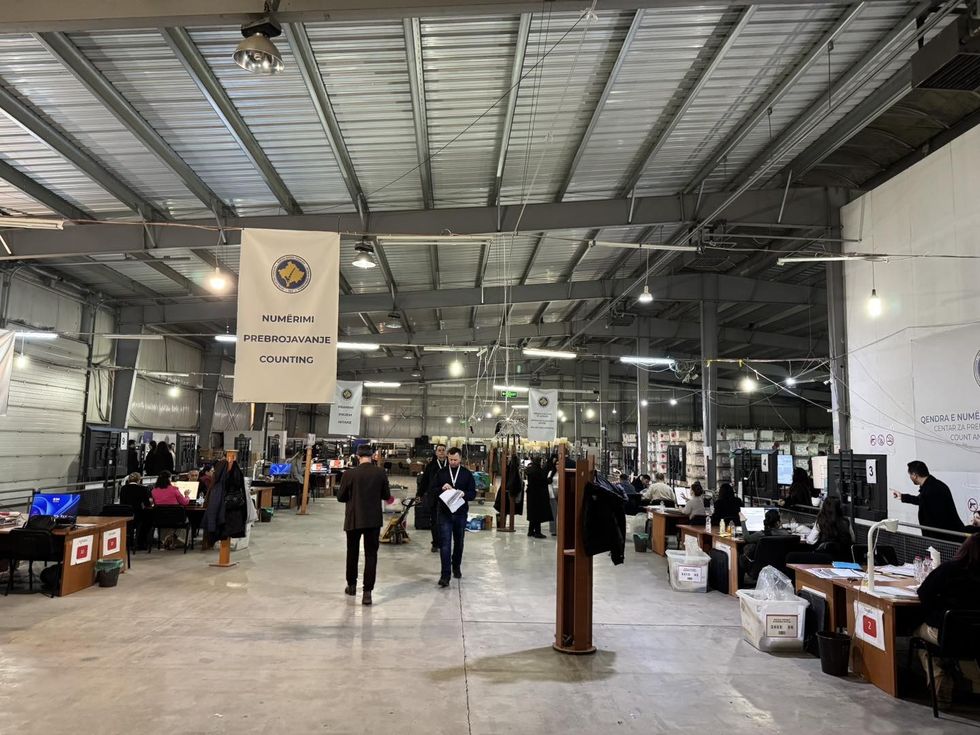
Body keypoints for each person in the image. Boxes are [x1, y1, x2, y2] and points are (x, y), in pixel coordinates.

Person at [915, 533, 980, 709]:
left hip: (947, 630)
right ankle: (975, 684)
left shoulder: (949, 569)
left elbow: (923, 593)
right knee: (965, 645)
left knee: (917, 634)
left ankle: (938, 676)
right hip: (975, 636)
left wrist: (936, 608)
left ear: (964, 548)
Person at [337, 444, 391, 606]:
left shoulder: (349, 474)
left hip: (354, 518)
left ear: (357, 456)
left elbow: (340, 497)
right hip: (373, 520)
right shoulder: (380, 473)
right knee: (371, 555)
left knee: (352, 553)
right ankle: (367, 593)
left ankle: (351, 586)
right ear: (372, 456)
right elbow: (386, 495)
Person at [432, 447, 476, 587]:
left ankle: (456, 565)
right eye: (450, 459)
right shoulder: (441, 473)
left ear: (460, 459)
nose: (452, 462)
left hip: (460, 513)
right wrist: (441, 488)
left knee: (459, 542)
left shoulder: (466, 474)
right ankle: (445, 575)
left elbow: (473, 493)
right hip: (444, 513)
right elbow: (432, 490)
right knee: (445, 544)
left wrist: (464, 494)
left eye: (455, 460)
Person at [892, 461, 965, 541]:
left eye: (910, 475)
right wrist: (902, 496)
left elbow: (924, 503)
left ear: (914, 475)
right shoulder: (933, 485)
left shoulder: (931, 490)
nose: (910, 477)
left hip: (946, 537)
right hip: (947, 534)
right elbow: (921, 500)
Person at [417, 444, 448, 553]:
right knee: (434, 521)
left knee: (446, 521)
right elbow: (424, 481)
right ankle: (435, 543)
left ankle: (445, 542)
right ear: (436, 452)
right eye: (439, 450)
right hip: (434, 497)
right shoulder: (431, 466)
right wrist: (419, 494)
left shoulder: (450, 464)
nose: (441, 452)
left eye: (443, 450)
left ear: (446, 452)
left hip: (448, 498)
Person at [119, 472, 153, 550]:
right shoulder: (142, 489)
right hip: (137, 514)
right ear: (139, 480)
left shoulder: (123, 488)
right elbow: (147, 504)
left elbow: (122, 502)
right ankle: (141, 542)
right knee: (148, 520)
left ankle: (129, 542)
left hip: (126, 514)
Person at [524, 456, 552, 539]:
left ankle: (530, 531)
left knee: (533, 513)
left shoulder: (530, 469)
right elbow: (543, 481)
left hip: (530, 493)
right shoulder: (538, 470)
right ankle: (537, 532)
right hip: (538, 494)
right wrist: (549, 480)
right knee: (537, 514)